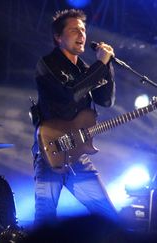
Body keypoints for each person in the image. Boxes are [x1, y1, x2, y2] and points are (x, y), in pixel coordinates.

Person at [31, 9, 118, 227]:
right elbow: (69, 94)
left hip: (77, 156)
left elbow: (106, 101)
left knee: (108, 216)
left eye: (83, 30)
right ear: (58, 37)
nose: (81, 34)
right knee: (45, 221)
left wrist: (107, 66)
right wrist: (99, 65)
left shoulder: (86, 70)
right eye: (74, 30)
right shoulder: (47, 64)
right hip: (50, 152)